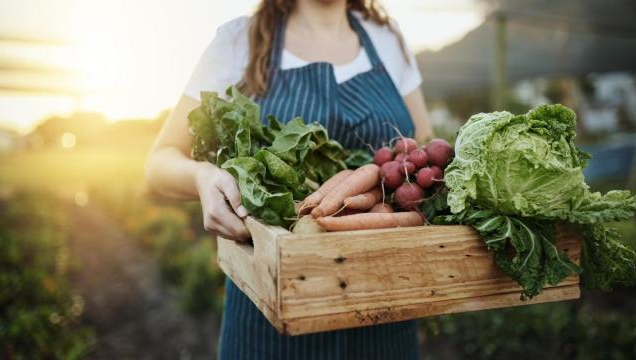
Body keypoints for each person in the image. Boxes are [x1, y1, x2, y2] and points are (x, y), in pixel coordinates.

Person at [145, 0, 434, 358]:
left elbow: (421, 153)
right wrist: (203, 176)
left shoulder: (386, 37)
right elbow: (159, 163)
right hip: (270, 319)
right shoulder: (239, 40)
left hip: (386, 308)